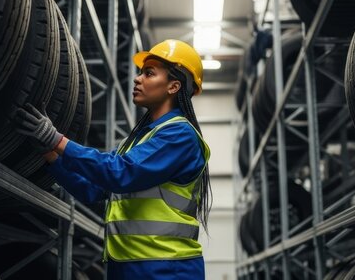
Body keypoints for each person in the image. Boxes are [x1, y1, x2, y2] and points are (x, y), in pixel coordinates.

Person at [13, 39, 212, 279]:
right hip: (126, 266)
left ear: (173, 87)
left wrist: (57, 139)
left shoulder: (180, 135)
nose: (138, 79)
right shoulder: (139, 139)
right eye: (140, 72)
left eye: (149, 73)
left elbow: (120, 172)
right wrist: (50, 154)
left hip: (166, 269)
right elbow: (93, 190)